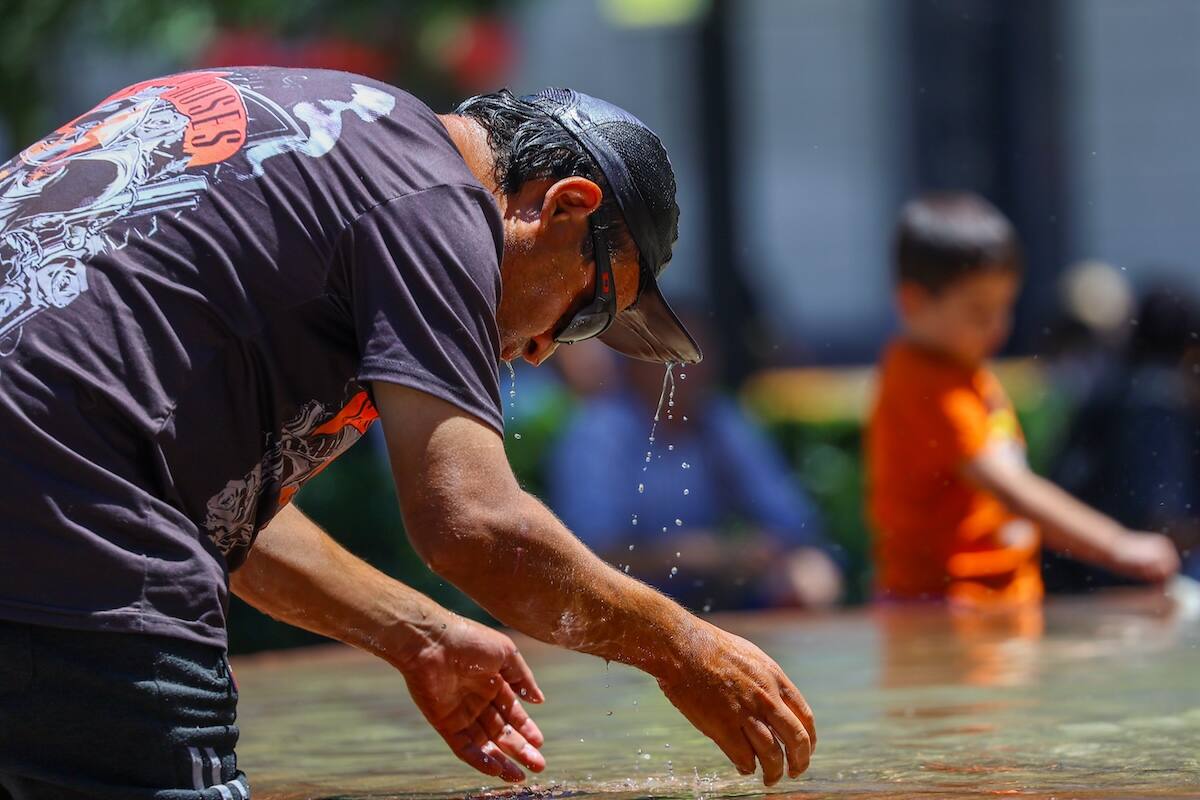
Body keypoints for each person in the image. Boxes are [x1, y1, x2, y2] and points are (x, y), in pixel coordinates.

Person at [0, 69, 814, 798]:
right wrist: (682, 648)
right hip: (70, 531)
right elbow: (475, 527)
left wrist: (417, 632)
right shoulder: (436, 199)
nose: (541, 348)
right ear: (562, 207)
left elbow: (208, 510)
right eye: (587, 310)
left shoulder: (334, 137)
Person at [865, 192, 1180, 607]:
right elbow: (1011, 487)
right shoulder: (923, 385)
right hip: (940, 606)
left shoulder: (965, 372)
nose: (997, 326)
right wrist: (1117, 543)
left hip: (995, 600)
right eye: (978, 312)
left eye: (1004, 307)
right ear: (912, 302)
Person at [547, 325, 845, 612]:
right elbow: (589, 553)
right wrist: (690, 555)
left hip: (721, 591)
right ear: (635, 359)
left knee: (813, 575)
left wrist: (769, 552)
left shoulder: (720, 419)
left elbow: (792, 520)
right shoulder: (598, 431)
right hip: (629, 600)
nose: (690, 367)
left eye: (697, 355)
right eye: (674, 355)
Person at [1047, 283, 1200, 590]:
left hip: (1068, 572)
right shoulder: (1157, 403)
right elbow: (1160, 523)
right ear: (1189, 349)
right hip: (1116, 585)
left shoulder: (1111, 387)